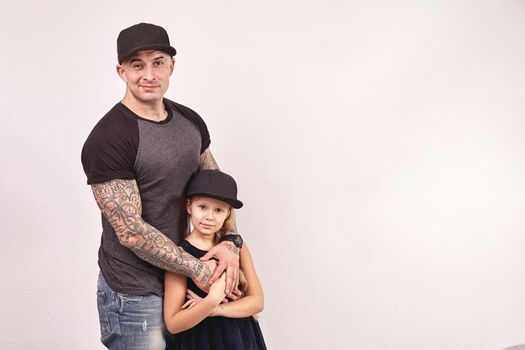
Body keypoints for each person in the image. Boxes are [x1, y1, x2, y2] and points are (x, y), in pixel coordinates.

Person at [81, 23, 243, 350]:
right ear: (121, 71)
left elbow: (217, 190)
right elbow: (132, 232)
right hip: (135, 293)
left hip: (184, 285)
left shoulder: (190, 122)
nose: (148, 74)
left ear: (172, 65)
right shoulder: (110, 138)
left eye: (157, 62)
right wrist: (200, 270)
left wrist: (230, 242)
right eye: (137, 65)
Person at [164, 169, 267, 350]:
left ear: (228, 213)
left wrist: (216, 309)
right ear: (189, 206)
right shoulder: (179, 255)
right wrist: (210, 301)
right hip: (201, 340)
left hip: (240, 338)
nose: (209, 217)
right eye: (202, 207)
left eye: (218, 210)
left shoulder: (236, 248)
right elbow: (173, 323)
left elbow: (257, 302)